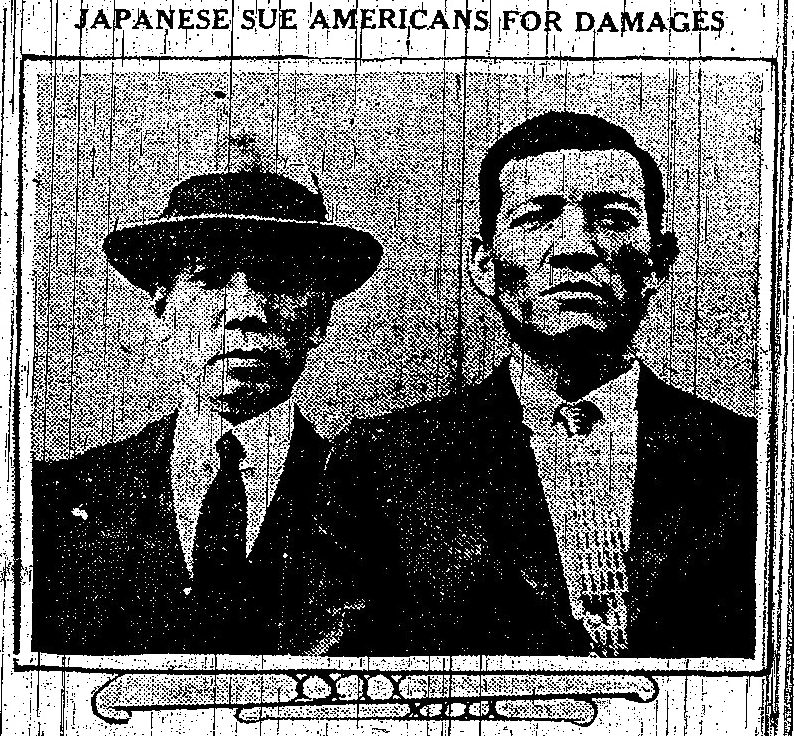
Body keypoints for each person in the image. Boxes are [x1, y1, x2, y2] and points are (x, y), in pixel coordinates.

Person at [320, 112, 757, 658]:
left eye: (613, 220)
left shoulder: (748, 462)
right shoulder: (384, 465)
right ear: (483, 266)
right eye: (535, 220)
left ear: (659, 265)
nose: (575, 247)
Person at [33, 170, 382, 654]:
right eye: (210, 279)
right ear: (161, 308)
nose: (246, 311)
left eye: (278, 281)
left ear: (319, 314)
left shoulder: (377, 505)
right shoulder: (56, 501)